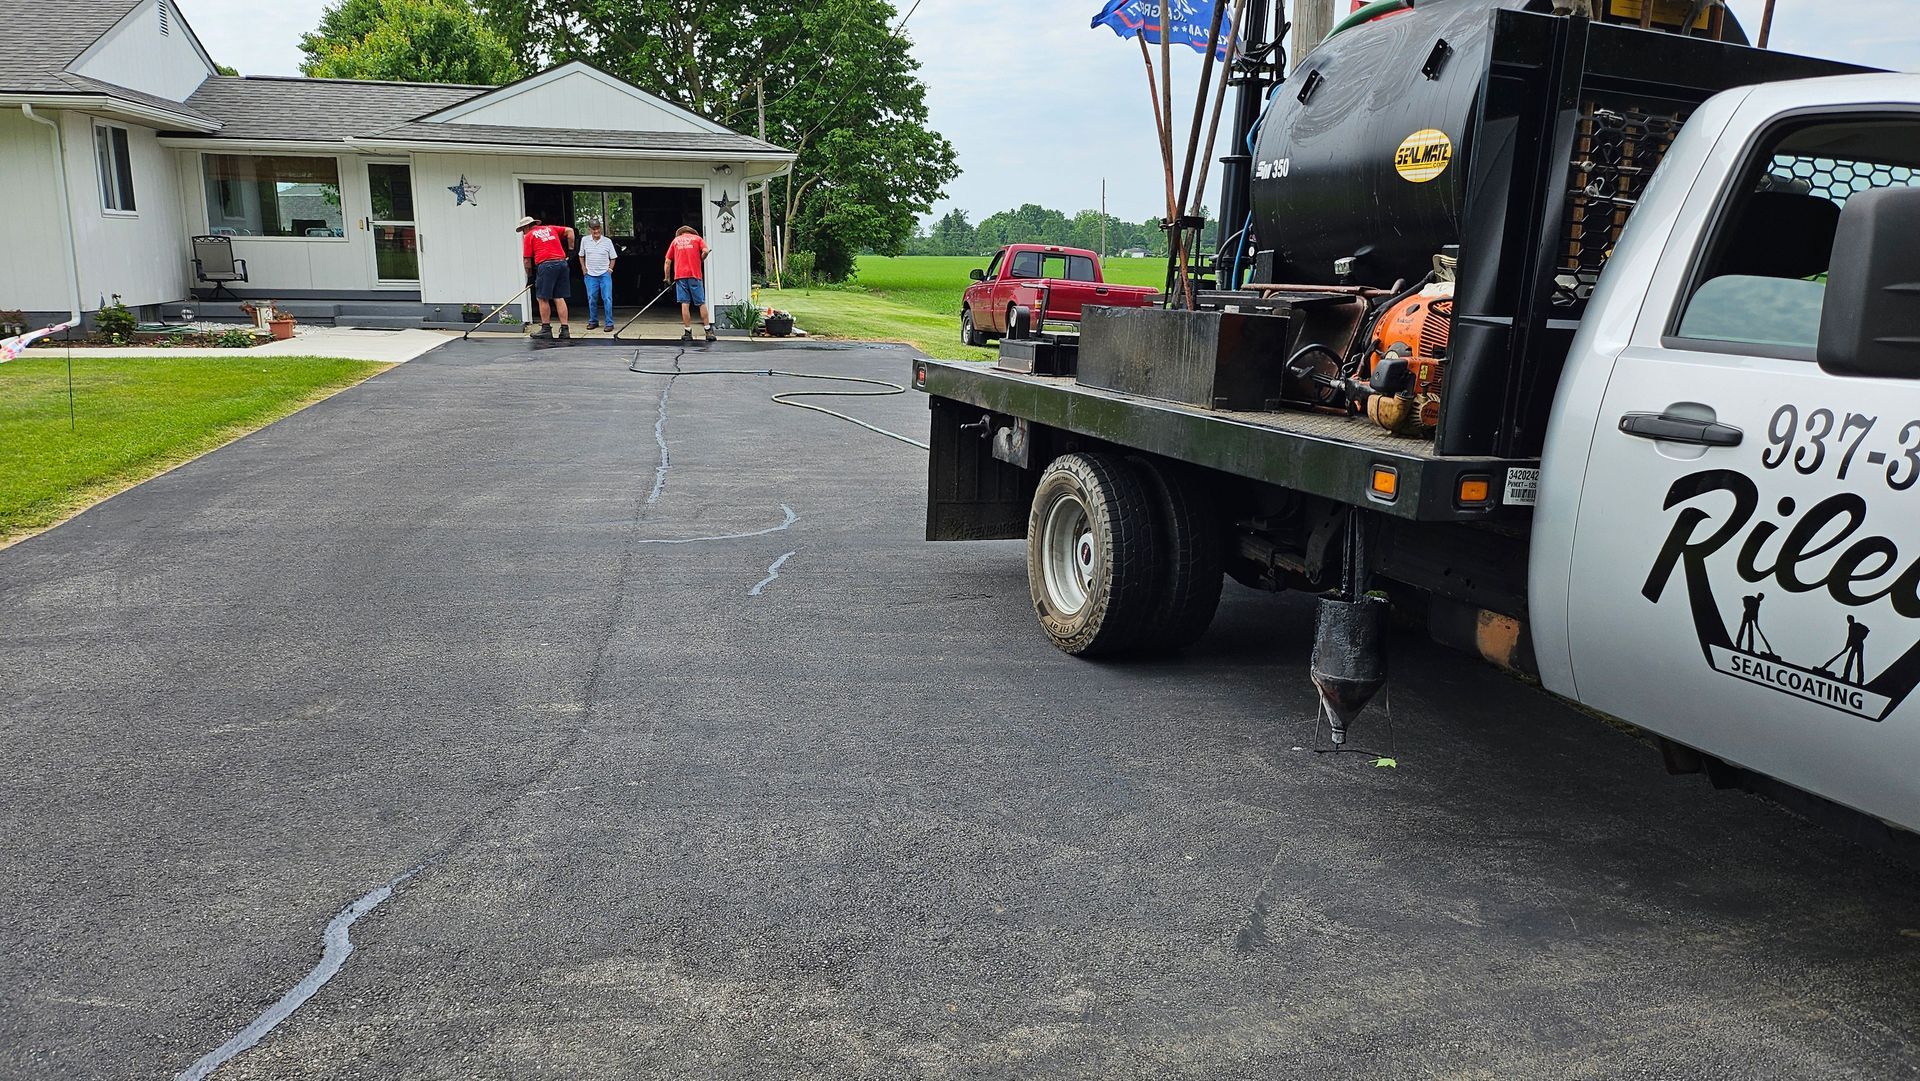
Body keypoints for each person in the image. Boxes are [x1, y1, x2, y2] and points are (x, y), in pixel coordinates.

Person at [517, 215, 576, 339]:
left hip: (546, 265)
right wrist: (571, 250)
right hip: (561, 263)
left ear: (527, 227)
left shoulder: (529, 236)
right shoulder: (550, 228)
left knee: (542, 298)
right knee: (558, 297)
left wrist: (530, 276)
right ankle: (565, 330)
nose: (523, 232)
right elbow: (570, 231)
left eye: (523, 229)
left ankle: (546, 329)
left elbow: (527, 261)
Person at [664, 225, 714, 343]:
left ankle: (688, 332)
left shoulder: (676, 241)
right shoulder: (697, 239)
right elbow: (706, 251)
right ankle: (708, 331)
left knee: (685, 303)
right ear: (692, 232)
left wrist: (667, 278)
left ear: (681, 233)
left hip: (680, 276)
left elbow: (667, 261)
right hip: (695, 275)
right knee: (701, 303)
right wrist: (701, 258)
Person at [578, 218, 618, 331]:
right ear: (589, 230)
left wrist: (610, 270)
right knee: (591, 298)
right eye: (594, 229)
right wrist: (583, 268)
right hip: (590, 274)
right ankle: (593, 321)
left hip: (604, 274)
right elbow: (581, 255)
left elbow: (613, 257)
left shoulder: (607, 241)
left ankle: (609, 323)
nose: (596, 231)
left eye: (598, 228)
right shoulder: (584, 240)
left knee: (607, 298)